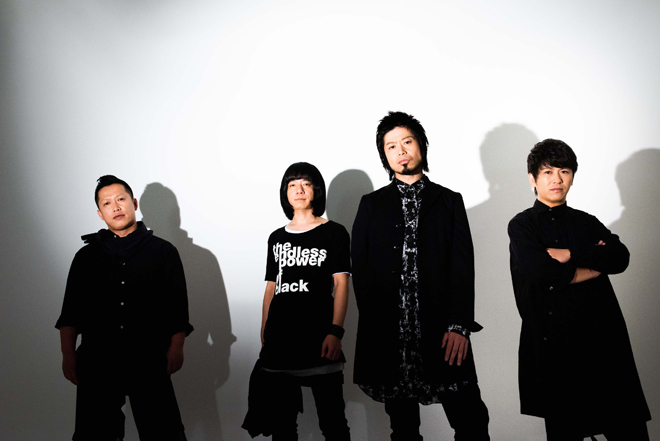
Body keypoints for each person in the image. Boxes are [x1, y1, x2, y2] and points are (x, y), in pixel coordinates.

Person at [352, 111, 490, 440]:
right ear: (384, 156)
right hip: (392, 337)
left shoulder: (449, 201)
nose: (400, 151)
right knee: (403, 429)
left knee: (471, 421)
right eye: (391, 146)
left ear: (421, 146)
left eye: (407, 142)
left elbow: (462, 267)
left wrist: (459, 325)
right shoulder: (371, 205)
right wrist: (375, 328)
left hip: (442, 331)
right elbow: (362, 273)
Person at [508, 139, 651, 440]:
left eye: (564, 171)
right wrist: (592, 266)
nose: (557, 179)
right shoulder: (522, 225)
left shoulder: (587, 222)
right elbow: (541, 271)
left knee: (628, 429)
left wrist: (570, 254)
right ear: (532, 179)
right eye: (548, 172)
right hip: (555, 348)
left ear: (573, 176)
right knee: (566, 432)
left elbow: (620, 257)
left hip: (603, 343)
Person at [56, 175, 193, 441]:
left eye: (121, 199)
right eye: (107, 203)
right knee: (94, 435)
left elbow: (177, 306)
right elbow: (71, 311)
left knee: (164, 433)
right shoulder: (85, 257)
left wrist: (177, 346)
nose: (116, 207)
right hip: (97, 361)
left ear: (134, 203)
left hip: (149, 358)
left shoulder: (163, 251)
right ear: (100, 213)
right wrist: (68, 354)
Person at [257, 162, 351, 440]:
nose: (299, 190)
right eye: (292, 184)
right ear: (285, 192)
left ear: (316, 190)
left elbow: (342, 284)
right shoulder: (276, 238)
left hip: (319, 337)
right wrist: (264, 329)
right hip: (280, 339)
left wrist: (335, 331)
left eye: (306, 183)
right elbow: (271, 288)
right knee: (282, 427)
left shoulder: (334, 232)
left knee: (333, 424)